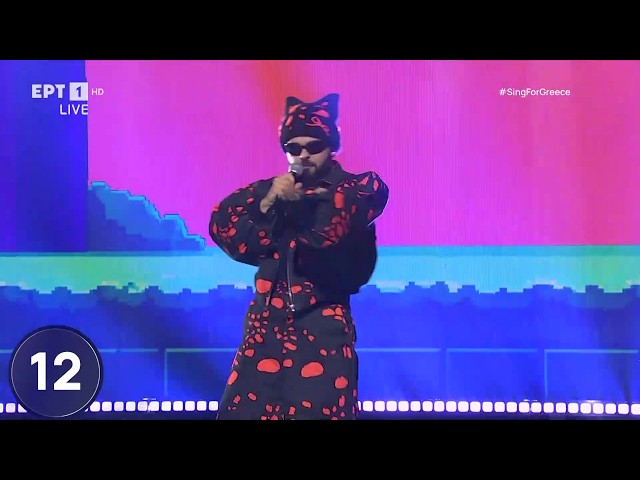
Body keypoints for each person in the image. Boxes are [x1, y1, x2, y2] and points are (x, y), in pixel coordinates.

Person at [209, 93, 389, 420]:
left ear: (331, 146)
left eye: (314, 145)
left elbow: (327, 236)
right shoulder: (273, 191)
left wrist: (301, 205)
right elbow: (229, 233)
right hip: (265, 328)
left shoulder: (355, 191)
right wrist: (267, 204)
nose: (303, 155)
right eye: (294, 147)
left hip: (322, 327)